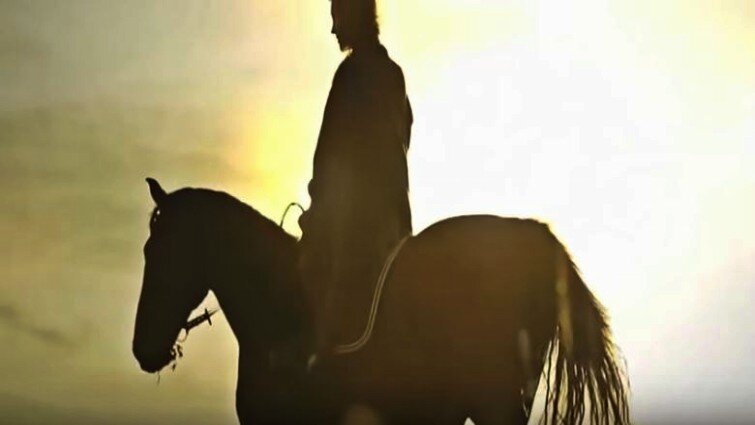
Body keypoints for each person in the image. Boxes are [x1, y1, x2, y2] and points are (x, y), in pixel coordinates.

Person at [298, 0, 413, 354]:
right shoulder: (394, 74)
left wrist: (317, 210)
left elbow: (330, 153)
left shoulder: (350, 74)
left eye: (337, 19)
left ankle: (322, 364)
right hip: (396, 223)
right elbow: (403, 140)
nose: (333, 29)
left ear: (353, 17)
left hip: (354, 229)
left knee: (307, 287)